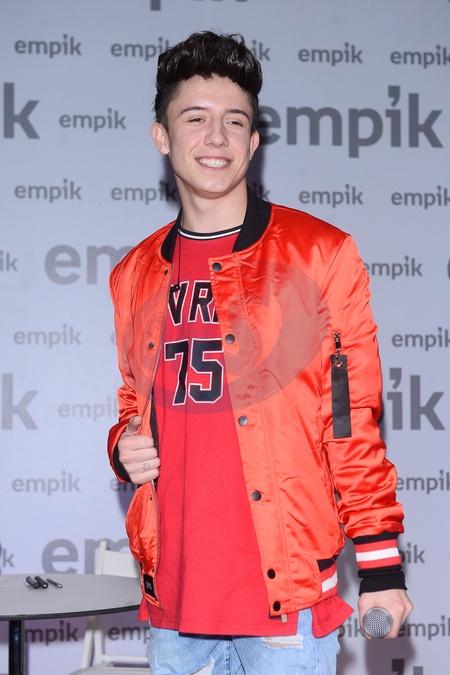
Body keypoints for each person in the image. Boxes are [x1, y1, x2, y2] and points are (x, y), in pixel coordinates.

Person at [108, 30, 413, 675]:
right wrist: (122, 445)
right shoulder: (134, 274)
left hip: (287, 604)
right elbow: (135, 400)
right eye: (195, 118)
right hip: (176, 604)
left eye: (234, 122)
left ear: (252, 143)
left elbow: (350, 419)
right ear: (162, 136)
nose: (215, 137)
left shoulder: (319, 255)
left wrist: (381, 565)